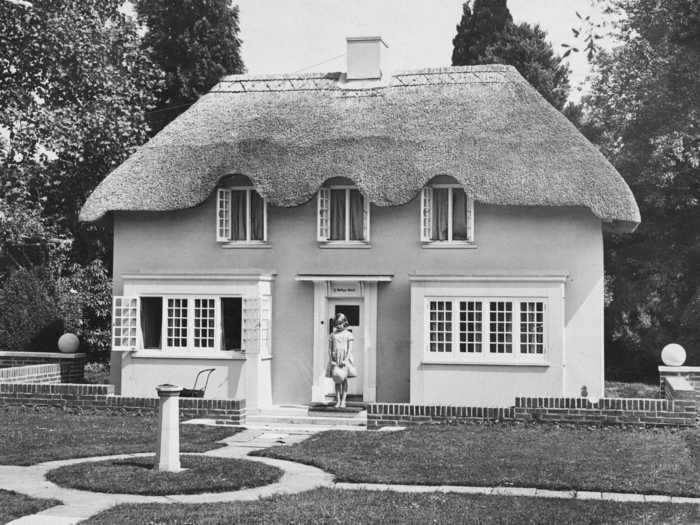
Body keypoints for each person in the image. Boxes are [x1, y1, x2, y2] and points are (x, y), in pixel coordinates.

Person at [326, 312, 357, 408]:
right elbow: (330, 349)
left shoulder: (348, 334)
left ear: (345, 323)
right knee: (337, 380)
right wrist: (331, 359)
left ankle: (343, 400)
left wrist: (346, 360)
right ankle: (338, 400)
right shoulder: (333, 335)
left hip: (344, 359)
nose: (339, 325)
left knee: (344, 380)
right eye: (337, 323)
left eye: (340, 323)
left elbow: (350, 349)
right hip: (336, 359)